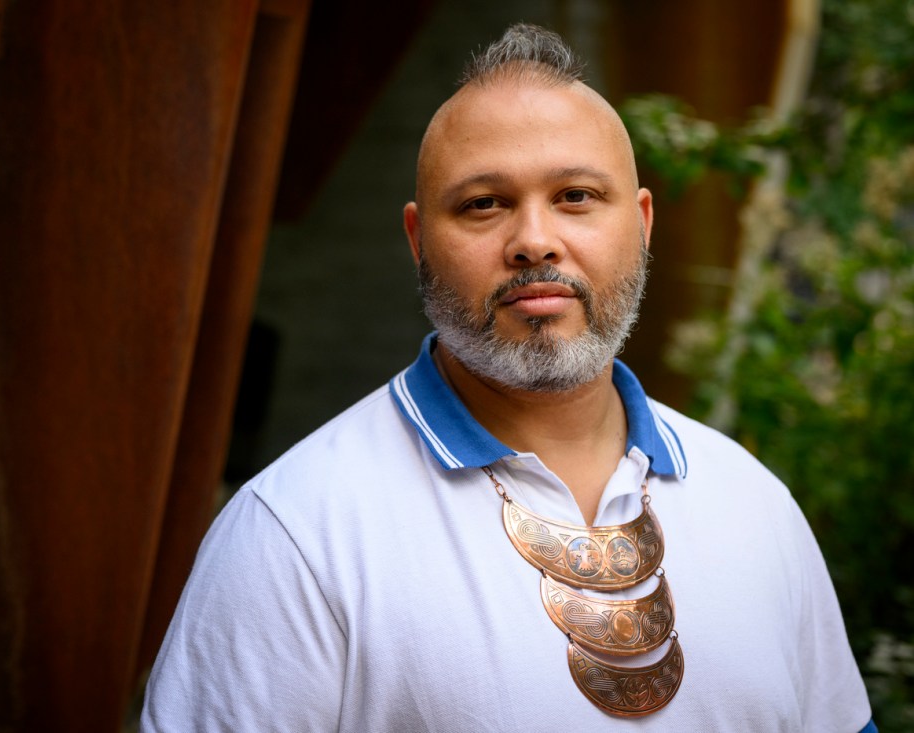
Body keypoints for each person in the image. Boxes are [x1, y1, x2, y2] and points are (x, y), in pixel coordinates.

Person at [142, 24, 874, 732]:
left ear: (643, 223)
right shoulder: (295, 533)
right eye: (484, 203)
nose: (534, 241)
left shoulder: (756, 505)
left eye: (577, 196)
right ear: (418, 239)